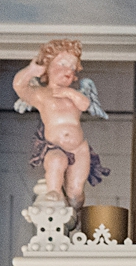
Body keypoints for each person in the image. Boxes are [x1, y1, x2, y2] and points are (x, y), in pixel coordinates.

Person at [13, 39, 107, 209]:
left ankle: (75, 214)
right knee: (56, 161)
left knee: (76, 191)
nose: (68, 70)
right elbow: (19, 86)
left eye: (72, 67)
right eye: (63, 64)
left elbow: (85, 104)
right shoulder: (41, 94)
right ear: (48, 67)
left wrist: (68, 92)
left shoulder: (74, 94)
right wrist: (31, 70)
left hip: (78, 148)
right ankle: (54, 194)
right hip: (54, 145)